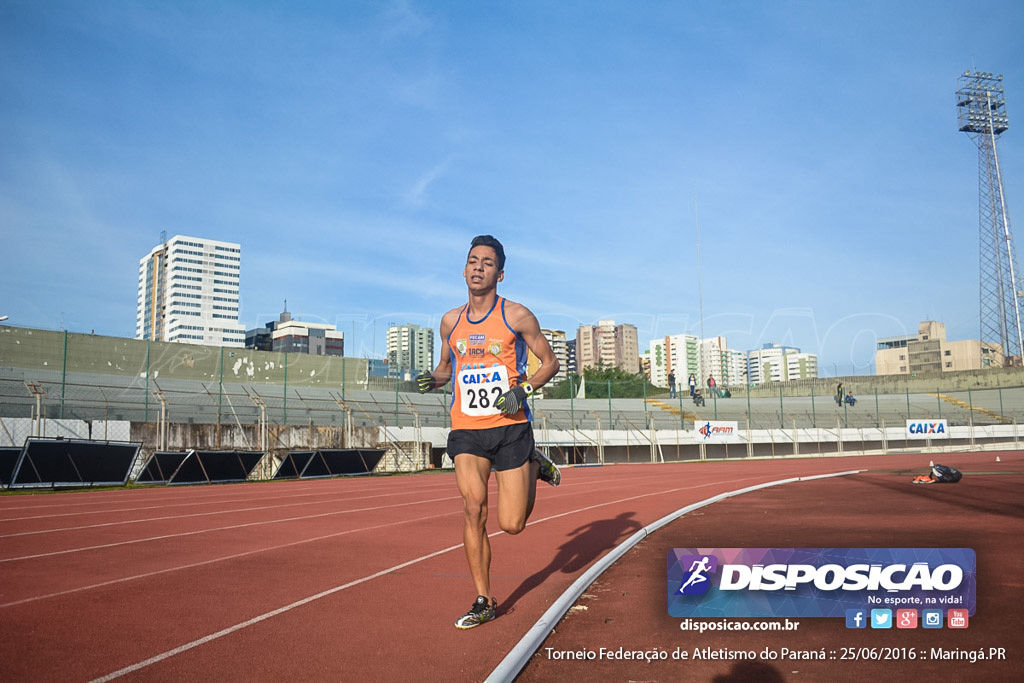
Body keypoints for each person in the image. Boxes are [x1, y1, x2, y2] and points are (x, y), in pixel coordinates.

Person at [416, 235, 561, 630]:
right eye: (472, 261)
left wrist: (523, 390)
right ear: (464, 270)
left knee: (512, 524)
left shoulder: (516, 316)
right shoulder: (450, 321)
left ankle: (533, 461)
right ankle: (484, 599)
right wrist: (432, 379)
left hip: (511, 429)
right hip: (467, 428)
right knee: (472, 507)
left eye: (487, 263)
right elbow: (446, 368)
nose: (478, 267)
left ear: (500, 273)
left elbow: (550, 363)